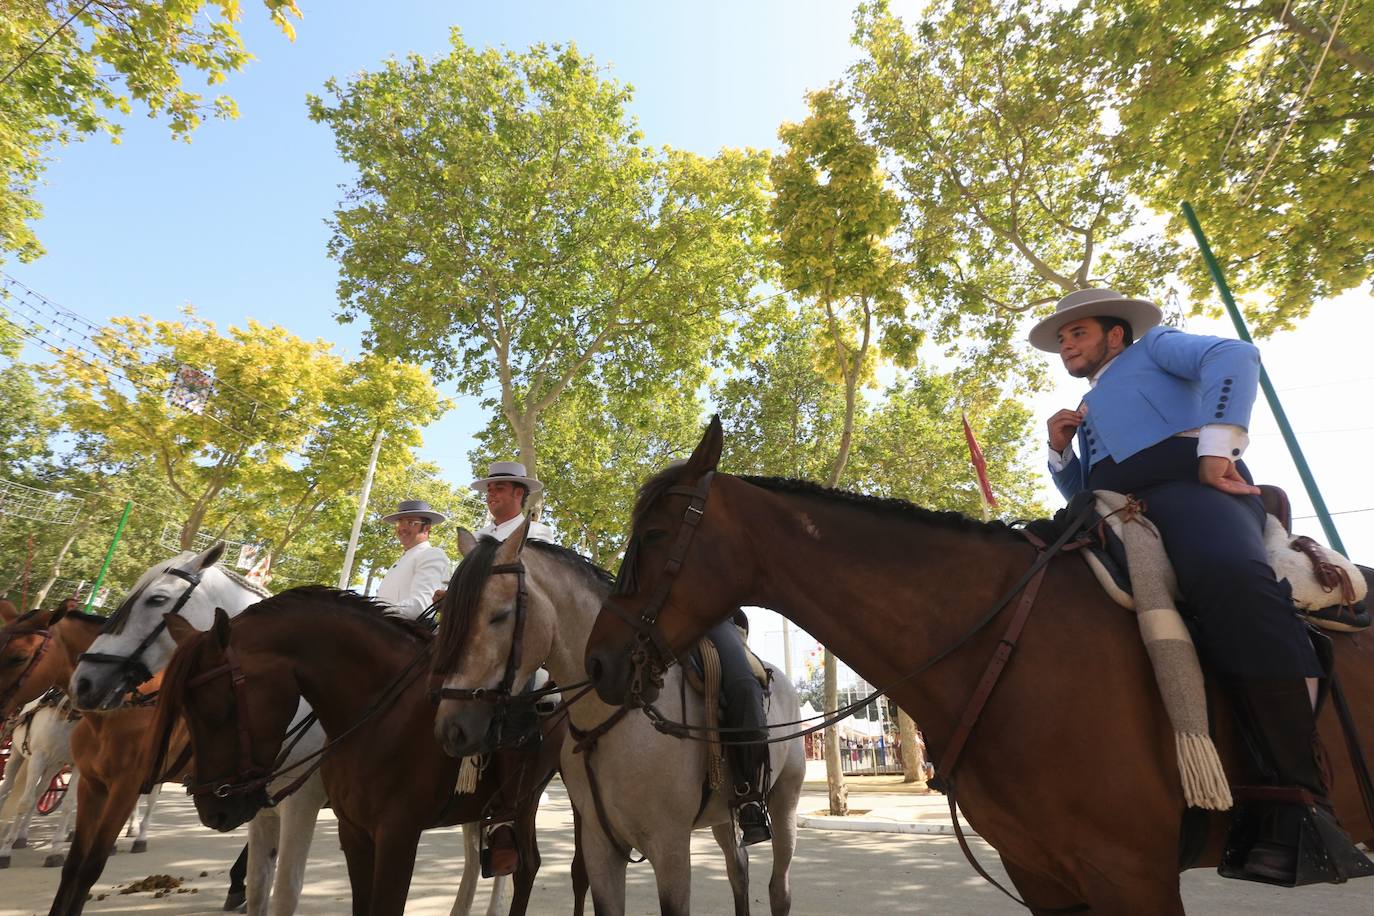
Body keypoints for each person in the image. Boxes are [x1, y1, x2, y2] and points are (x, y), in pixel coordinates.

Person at [1031, 286, 1371, 885]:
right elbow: (1085, 489)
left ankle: (1299, 793)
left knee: (1228, 578)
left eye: (1076, 333)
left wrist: (1217, 450)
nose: (1066, 347)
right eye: (1061, 340)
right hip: (1115, 511)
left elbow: (1236, 354)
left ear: (1116, 334)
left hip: (1194, 493)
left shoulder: (1156, 346)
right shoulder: (1087, 408)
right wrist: (1062, 454)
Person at [374, 500, 451, 620]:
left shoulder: (432, 554)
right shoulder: (402, 560)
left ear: (426, 528)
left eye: (411, 522)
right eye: (399, 523)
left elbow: (421, 606)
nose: (402, 528)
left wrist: (374, 613)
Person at [471, 461, 555, 543]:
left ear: (519, 493)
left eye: (499, 488)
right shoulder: (476, 537)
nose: (491, 494)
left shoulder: (536, 532)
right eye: (489, 490)